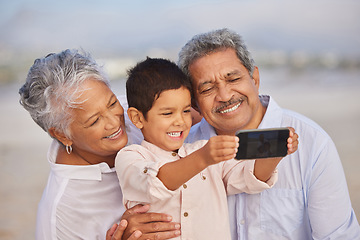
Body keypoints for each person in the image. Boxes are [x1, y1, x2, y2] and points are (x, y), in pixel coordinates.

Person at [177, 28, 360, 239]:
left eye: (233, 79)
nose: (225, 95)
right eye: (207, 89)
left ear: (254, 78)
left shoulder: (312, 142)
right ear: (194, 103)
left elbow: (339, 236)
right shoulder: (182, 150)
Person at [115, 57, 298, 239]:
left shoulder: (204, 150)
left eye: (186, 111)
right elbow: (159, 181)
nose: (180, 121)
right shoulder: (130, 157)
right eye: (168, 113)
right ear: (137, 118)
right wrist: (203, 158)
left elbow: (250, 177)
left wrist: (275, 153)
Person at [19, 49, 181, 240]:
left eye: (112, 103)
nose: (114, 123)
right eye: (94, 121)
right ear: (62, 134)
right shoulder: (61, 214)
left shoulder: (138, 113)